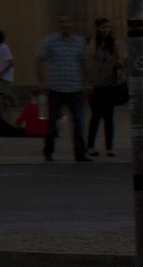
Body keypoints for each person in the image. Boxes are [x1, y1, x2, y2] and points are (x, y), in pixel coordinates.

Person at [34, 15, 89, 162]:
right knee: (52, 121)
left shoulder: (79, 42)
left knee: (78, 121)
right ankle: (48, 151)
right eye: (62, 22)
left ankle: (80, 152)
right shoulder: (50, 41)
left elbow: (83, 62)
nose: (65, 25)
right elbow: (39, 60)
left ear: (72, 24)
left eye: (67, 22)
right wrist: (41, 83)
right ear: (58, 25)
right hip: (55, 87)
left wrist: (85, 83)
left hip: (74, 87)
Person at [84, 19, 124, 158]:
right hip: (96, 85)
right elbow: (90, 55)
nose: (106, 30)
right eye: (102, 27)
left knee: (109, 117)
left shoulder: (113, 44)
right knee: (95, 116)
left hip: (110, 84)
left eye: (107, 27)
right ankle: (90, 145)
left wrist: (119, 66)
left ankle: (109, 147)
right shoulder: (92, 44)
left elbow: (118, 59)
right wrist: (94, 37)